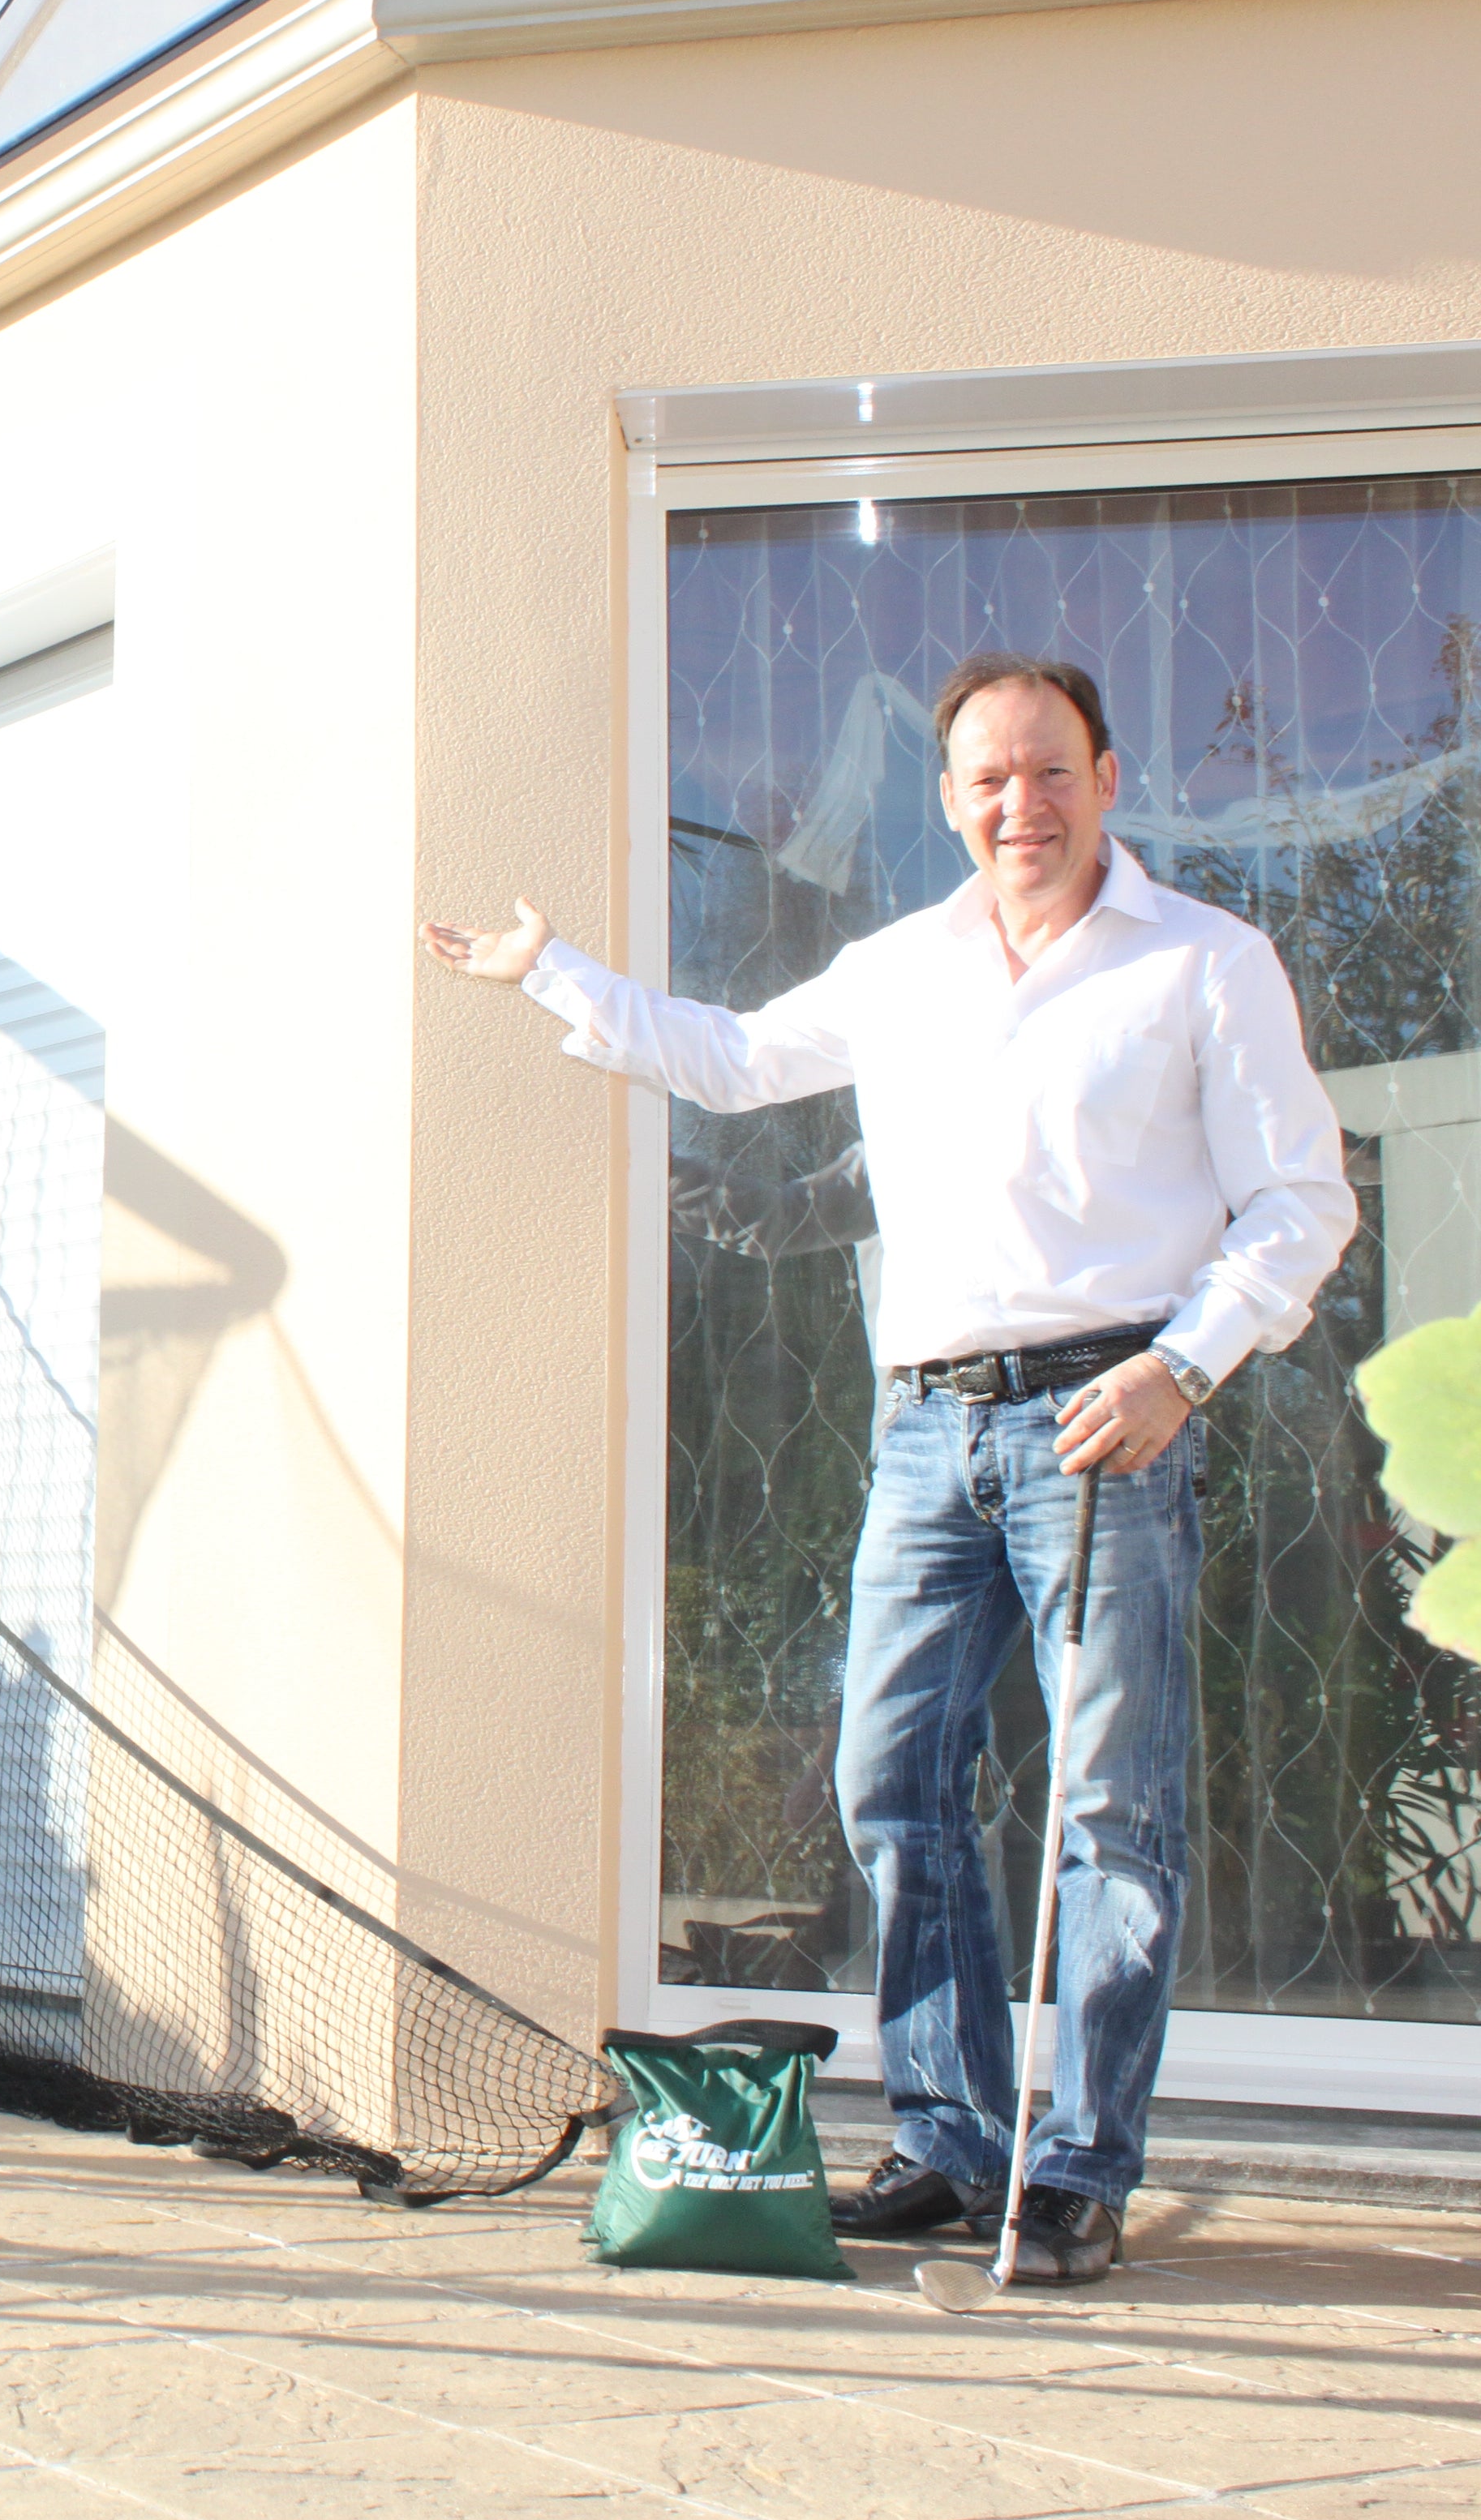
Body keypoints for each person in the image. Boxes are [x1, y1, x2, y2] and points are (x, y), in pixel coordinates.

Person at [425, 655, 1356, 2286]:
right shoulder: (904, 967)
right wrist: (549, 971)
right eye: (989, 779)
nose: (1023, 804)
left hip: (1105, 1421)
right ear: (949, 800)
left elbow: (1303, 1207)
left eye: (1051, 771)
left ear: (1109, 777)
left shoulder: (1208, 965)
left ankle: (1078, 2169)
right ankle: (947, 2137)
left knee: (1110, 1817)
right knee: (892, 1788)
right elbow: (726, 1057)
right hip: (928, 1430)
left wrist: (1181, 1368)